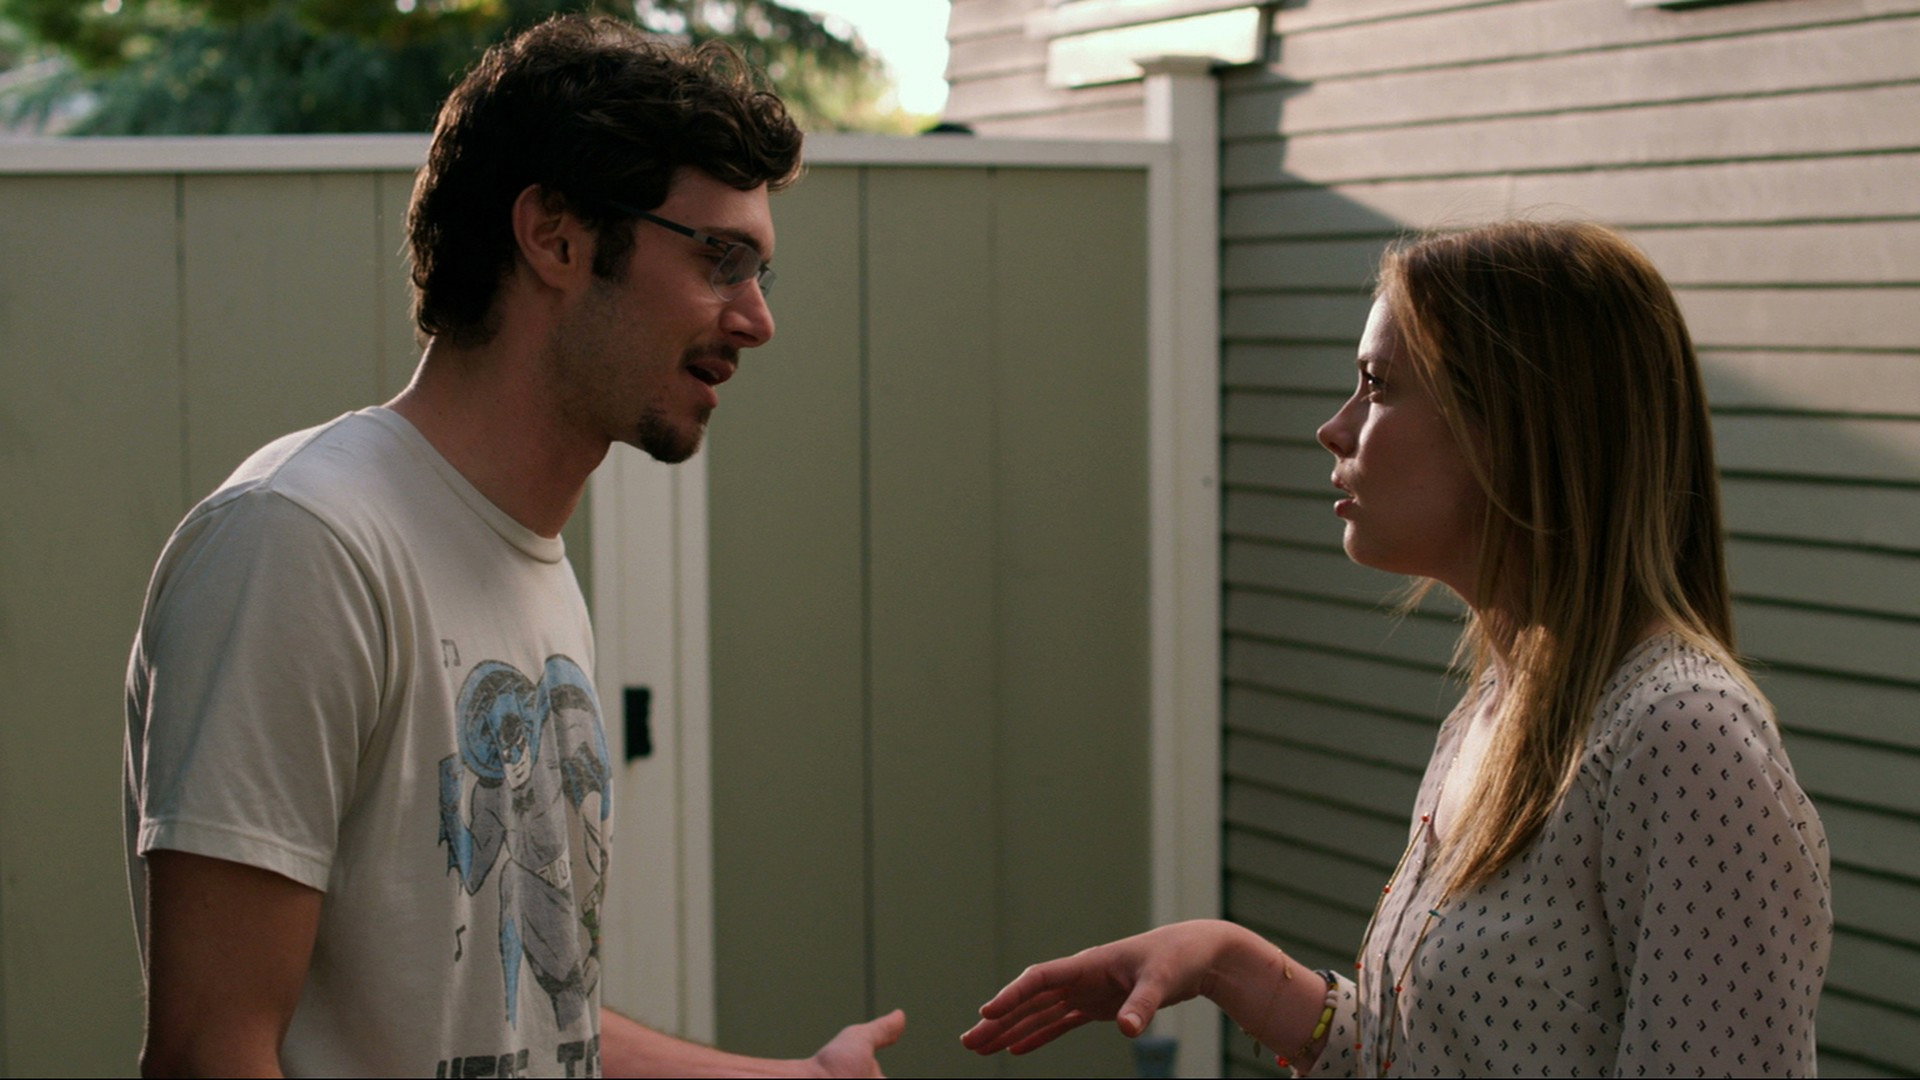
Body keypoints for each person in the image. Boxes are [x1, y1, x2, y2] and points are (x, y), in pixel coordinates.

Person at [123, 15, 904, 1077]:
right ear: (556, 238)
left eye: (761, 269)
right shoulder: (304, 544)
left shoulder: (525, 562)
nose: (755, 318)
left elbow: (522, 1020)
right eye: (720, 258)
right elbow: (211, 1051)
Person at [959, 221, 1831, 1077]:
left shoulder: (1681, 739)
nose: (1334, 429)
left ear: (1516, 427)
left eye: (1376, 387)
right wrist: (1225, 961)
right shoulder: (1498, 708)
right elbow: (1429, 1054)